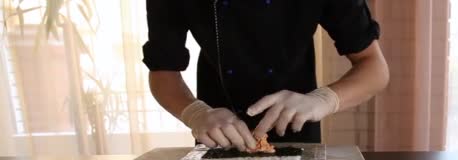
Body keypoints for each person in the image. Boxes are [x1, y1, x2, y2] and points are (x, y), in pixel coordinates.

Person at [143, 0, 389, 151]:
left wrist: (322, 100)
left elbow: (374, 67)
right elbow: (163, 71)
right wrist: (195, 113)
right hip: (216, 135)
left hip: (297, 134)